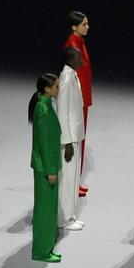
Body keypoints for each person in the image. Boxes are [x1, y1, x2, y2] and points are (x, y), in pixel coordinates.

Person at [29, 73, 64, 263]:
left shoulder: (46, 104)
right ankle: (41, 250)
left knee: (49, 208)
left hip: (48, 165)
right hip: (45, 167)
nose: (59, 89)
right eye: (56, 86)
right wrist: (51, 170)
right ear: (47, 89)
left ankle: (46, 247)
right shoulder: (43, 108)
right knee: (44, 210)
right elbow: (43, 143)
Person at [56, 47, 86, 231]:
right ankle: (64, 218)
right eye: (79, 56)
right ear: (71, 59)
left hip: (76, 134)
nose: (82, 58)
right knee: (67, 179)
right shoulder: (66, 80)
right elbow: (62, 112)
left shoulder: (73, 76)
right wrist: (66, 141)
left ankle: (70, 215)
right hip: (69, 138)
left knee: (73, 178)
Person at [64, 11, 92, 197]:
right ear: (74, 27)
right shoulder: (73, 45)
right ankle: (71, 181)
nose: (87, 26)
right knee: (75, 138)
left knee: (80, 138)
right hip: (77, 99)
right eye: (84, 24)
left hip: (83, 97)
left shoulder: (80, 43)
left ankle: (75, 180)